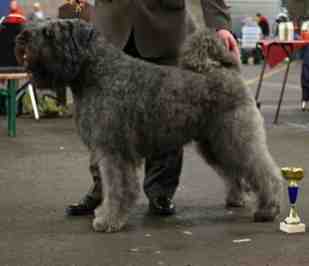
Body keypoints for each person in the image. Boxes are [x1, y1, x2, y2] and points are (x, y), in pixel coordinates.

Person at [66, 0, 240, 217]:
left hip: (163, 28)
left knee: (170, 118)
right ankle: (104, 190)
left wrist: (220, 25)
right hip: (110, 27)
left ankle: (160, 191)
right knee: (102, 123)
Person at [56, 0, 94, 108]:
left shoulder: (92, 9)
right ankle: (61, 104)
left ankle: (86, 103)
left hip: (85, 51)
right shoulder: (63, 9)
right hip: (67, 51)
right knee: (61, 77)